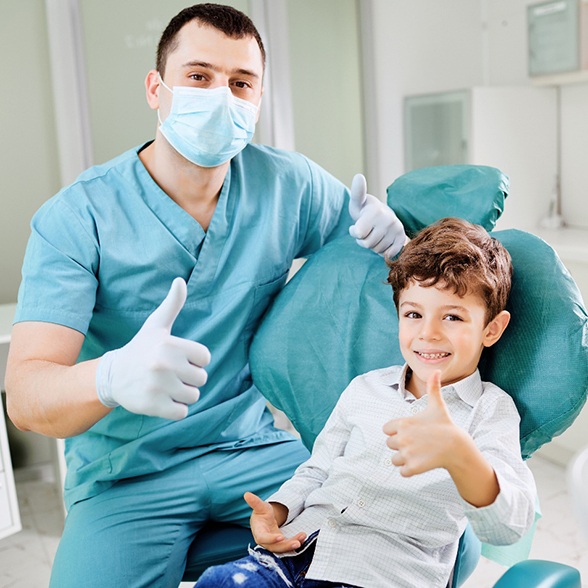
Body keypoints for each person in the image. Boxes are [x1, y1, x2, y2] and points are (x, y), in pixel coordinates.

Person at [5, 4, 405, 587]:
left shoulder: (287, 184)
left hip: (253, 451)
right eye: (199, 76)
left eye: (241, 83)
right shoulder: (78, 216)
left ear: (259, 100)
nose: (222, 97)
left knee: (423, 541)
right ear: (156, 88)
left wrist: (397, 241)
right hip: (128, 474)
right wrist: (110, 377)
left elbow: (401, 272)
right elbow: (26, 395)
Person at [196, 217, 537, 588]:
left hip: (379, 573)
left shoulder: (489, 410)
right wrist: (276, 511)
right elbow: (318, 470)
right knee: (218, 582)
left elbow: (510, 525)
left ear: (492, 329)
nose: (428, 333)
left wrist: (460, 455)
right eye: (413, 314)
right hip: (293, 551)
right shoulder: (365, 388)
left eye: (452, 317)